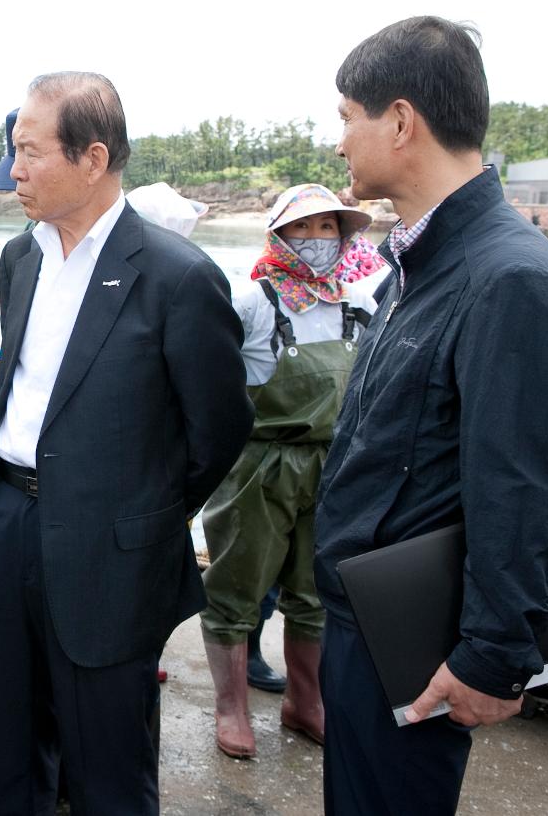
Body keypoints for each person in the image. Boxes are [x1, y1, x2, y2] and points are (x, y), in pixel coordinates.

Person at [0, 72, 253, 815]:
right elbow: (34, 372)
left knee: (107, 761)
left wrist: (139, 512)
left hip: (112, 549)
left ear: (92, 159)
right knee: (1, 738)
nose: (14, 170)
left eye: (29, 152)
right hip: (7, 523)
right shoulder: (21, 257)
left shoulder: (177, 277)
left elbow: (218, 430)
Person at [315, 17, 548, 815]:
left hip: (415, 636)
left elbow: (521, 485)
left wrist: (493, 657)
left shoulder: (507, 278)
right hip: (365, 611)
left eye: (345, 117)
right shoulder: (421, 261)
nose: (339, 143)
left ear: (399, 122)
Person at [199, 183, 378, 758]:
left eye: (329, 228)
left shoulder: (359, 301)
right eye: (304, 228)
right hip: (258, 465)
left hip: (332, 465)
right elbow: (209, 386)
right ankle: (232, 710)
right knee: (235, 589)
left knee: (317, 592)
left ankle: (307, 703)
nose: (317, 240)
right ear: (278, 233)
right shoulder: (252, 301)